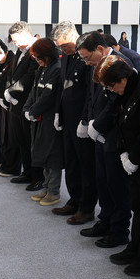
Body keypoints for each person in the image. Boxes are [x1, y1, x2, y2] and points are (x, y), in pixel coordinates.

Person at [96, 56, 140, 277]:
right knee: (136, 204)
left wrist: (133, 158)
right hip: (133, 157)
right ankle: (134, 247)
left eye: (112, 86)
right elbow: (121, 122)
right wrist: (124, 153)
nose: (112, 90)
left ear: (123, 78)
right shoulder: (126, 91)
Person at [76, 31, 132, 248]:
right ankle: (105, 221)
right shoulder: (98, 64)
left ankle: (119, 230)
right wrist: (87, 121)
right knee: (103, 181)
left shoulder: (119, 63)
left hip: (114, 134)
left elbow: (116, 101)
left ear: (99, 49)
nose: (86, 62)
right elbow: (92, 97)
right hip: (99, 133)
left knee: (116, 185)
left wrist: (98, 125)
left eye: (87, 57)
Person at [50, 21, 97, 225]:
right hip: (68, 119)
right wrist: (58, 112)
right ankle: (74, 200)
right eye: (59, 47)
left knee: (85, 166)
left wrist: (85, 119)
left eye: (64, 45)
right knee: (70, 163)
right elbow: (63, 87)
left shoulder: (86, 56)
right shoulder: (67, 56)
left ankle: (86, 207)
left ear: (73, 36)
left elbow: (90, 92)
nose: (63, 50)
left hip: (81, 123)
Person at [24, 38, 64, 207]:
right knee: (41, 154)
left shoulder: (56, 69)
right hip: (40, 118)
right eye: (35, 57)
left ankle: (53, 191)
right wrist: (27, 109)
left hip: (50, 119)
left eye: (39, 57)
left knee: (52, 156)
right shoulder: (42, 68)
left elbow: (48, 96)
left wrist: (33, 111)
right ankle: (47, 187)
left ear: (47, 54)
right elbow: (33, 92)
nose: (37, 60)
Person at [2, 22, 42, 189]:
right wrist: (8, 92)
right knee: (22, 140)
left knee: (32, 142)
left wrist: (13, 91)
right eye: (13, 41)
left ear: (26, 35)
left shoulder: (37, 49)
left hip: (29, 102)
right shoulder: (20, 51)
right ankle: (27, 172)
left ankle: (38, 177)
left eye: (16, 40)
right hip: (16, 104)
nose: (15, 44)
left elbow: (30, 76)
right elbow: (13, 74)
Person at [0, 40, 21, 178]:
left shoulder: (11, 62)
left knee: (10, 136)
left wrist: (4, 97)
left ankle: (12, 166)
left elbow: (10, 82)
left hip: (10, 104)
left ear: (3, 51)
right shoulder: (2, 64)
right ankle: (5, 162)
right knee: (2, 134)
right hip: (2, 103)